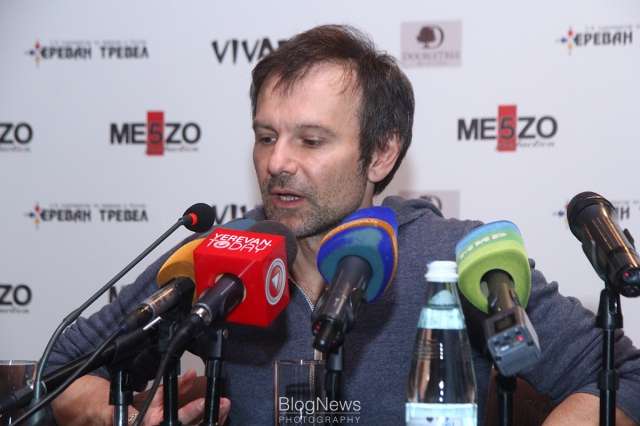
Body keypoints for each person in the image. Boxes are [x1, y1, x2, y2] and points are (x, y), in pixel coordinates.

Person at [48, 25, 640, 425]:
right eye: (265, 137)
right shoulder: (222, 257)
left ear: (381, 154)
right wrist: (123, 412)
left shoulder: (456, 256)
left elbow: (623, 377)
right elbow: (61, 374)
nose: (277, 162)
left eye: (310, 140)